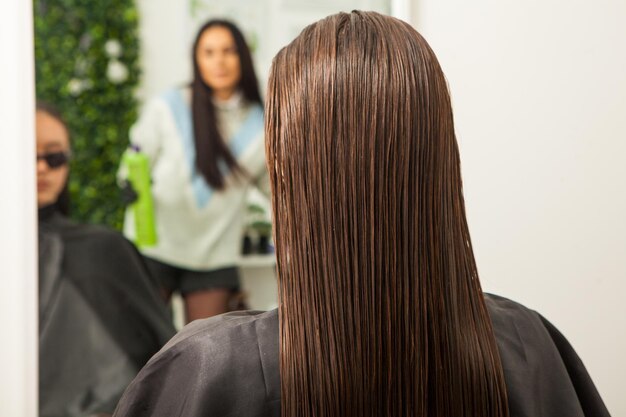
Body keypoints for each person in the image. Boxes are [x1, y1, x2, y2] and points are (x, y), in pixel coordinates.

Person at [113, 11, 611, 417]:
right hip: (166, 243)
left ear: (285, 161)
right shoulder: (530, 348)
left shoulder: (207, 368)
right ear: (441, 153)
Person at [120, 19, 267, 322]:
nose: (219, 61)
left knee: (206, 354)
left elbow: (274, 187)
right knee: (146, 347)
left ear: (243, 56)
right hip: (156, 243)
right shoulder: (169, 106)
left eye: (229, 51)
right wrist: (127, 181)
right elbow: (136, 156)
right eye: (208, 52)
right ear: (196, 59)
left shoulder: (263, 123)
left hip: (214, 251)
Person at [36, 102, 176, 417]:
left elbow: (162, 359)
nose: (41, 168)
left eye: (54, 157)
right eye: (28, 156)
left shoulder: (105, 250)